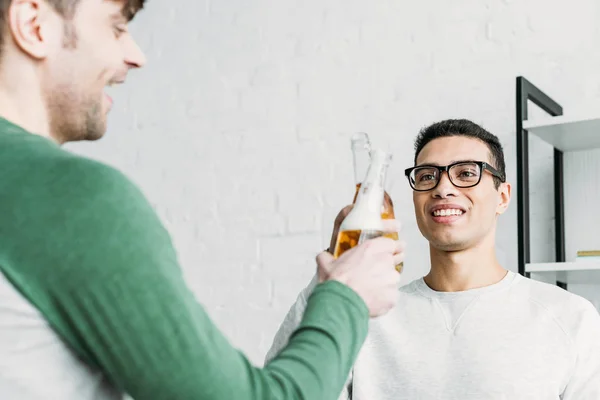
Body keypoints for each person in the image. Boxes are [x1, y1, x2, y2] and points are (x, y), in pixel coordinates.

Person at [0, 0, 406, 399]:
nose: (136, 56)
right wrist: (347, 297)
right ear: (35, 25)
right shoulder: (74, 198)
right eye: (117, 26)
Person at [266, 119, 600, 400]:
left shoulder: (569, 317)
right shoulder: (363, 314)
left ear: (502, 197)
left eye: (466, 173)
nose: (443, 188)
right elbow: (286, 391)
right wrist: (334, 276)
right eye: (427, 176)